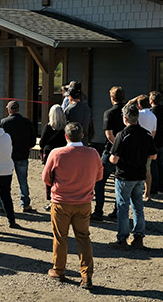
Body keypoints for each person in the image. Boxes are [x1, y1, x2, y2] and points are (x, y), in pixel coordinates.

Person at [43, 122, 102, 289]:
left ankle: (59, 269)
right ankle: (86, 275)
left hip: (61, 201)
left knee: (60, 237)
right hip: (83, 202)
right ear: (82, 135)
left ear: (66, 136)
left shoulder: (56, 153)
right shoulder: (93, 153)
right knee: (83, 237)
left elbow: (46, 178)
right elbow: (99, 176)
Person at [109, 104, 157, 250]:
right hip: (140, 175)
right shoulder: (147, 134)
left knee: (123, 206)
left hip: (125, 176)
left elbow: (114, 159)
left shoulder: (122, 135)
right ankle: (138, 237)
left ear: (125, 118)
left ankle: (122, 239)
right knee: (138, 206)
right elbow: (153, 155)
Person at [92, 86, 126, 222]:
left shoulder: (109, 113)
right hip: (125, 153)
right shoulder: (127, 112)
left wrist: (117, 147)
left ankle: (98, 211)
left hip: (110, 151)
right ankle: (117, 211)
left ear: (112, 98)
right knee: (120, 183)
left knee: (99, 182)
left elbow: (109, 134)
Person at [0, 101, 36, 212]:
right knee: (23, 181)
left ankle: (2, 204)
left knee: (5, 182)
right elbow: (33, 141)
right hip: (22, 155)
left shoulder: (3, 123)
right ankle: (25, 204)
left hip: (8, 156)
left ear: (9, 110)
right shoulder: (27, 122)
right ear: (18, 109)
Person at [39, 104, 67, 211]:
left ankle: (52, 200)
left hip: (50, 154)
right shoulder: (65, 128)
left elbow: (42, 142)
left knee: (49, 178)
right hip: (63, 155)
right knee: (61, 178)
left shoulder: (48, 127)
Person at [134, 95, 157, 201]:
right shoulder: (153, 116)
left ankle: (134, 192)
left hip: (136, 144)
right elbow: (153, 133)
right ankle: (147, 193)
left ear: (139, 104)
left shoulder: (137, 115)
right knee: (147, 170)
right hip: (147, 145)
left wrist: (130, 102)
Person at [150, 91, 163, 195]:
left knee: (153, 164)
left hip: (154, 140)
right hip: (161, 139)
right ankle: (161, 185)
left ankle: (154, 186)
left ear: (151, 101)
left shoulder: (153, 112)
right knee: (160, 164)